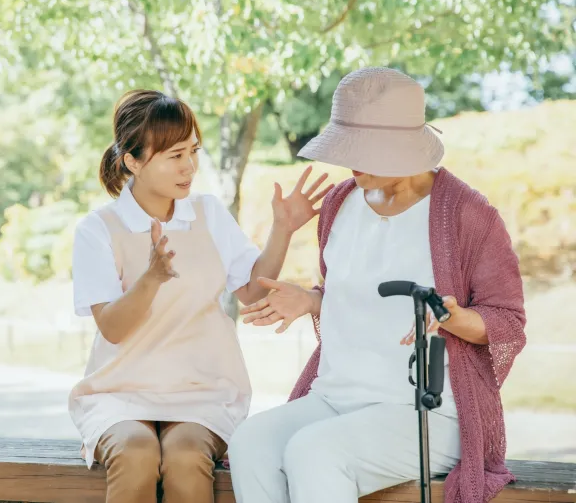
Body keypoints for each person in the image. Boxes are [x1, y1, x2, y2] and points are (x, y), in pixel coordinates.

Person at [227, 67, 527, 503]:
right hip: (335, 396)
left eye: (367, 148)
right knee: (251, 444)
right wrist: (312, 301)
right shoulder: (338, 204)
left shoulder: (466, 214)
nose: (352, 160)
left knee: (315, 453)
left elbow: (508, 322)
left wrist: (453, 318)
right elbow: (353, 298)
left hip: (425, 414)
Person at [68, 89, 332, 503]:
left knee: (187, 458)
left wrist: (283, 228)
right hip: (119, 393)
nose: (189, 166)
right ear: (132, 161)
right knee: (136, 454)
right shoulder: (99, 229)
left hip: (204, 390)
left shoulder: (207, 213)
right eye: (174, 155)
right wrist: (152, 277)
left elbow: (250, 289)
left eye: (193, 151)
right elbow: (112, 328)